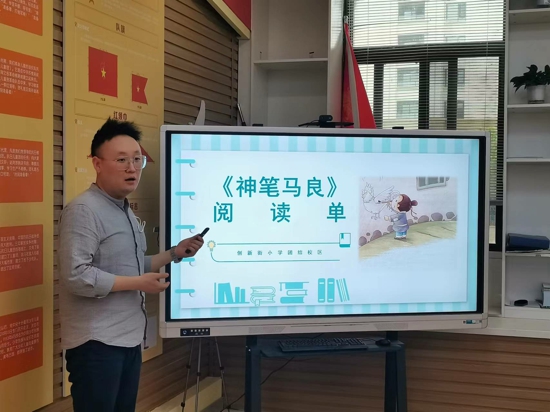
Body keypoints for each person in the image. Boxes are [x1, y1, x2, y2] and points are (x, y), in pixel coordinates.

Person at [58, 118, 204, 412]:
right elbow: (76, 275)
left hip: (127, 340)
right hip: (96, 345)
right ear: (97, 164)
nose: (132, 168)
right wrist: (138, 283)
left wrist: (174, 253)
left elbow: (131, 266)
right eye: (122, 160)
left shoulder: (122, 208)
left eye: (137, 160)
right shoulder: (84, 210)